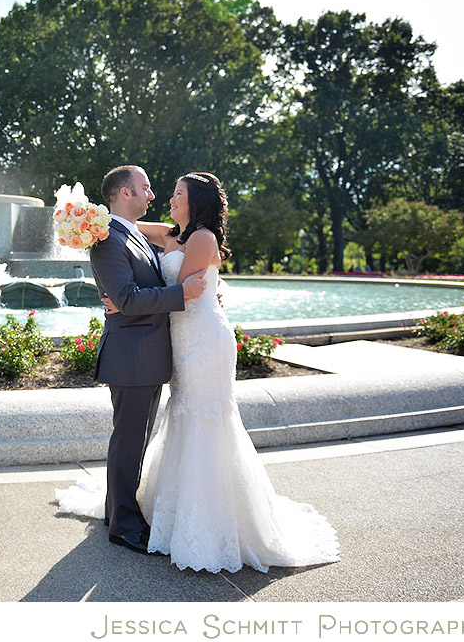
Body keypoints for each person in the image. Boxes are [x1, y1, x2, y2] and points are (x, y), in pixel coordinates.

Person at [58, 171, 340, 573]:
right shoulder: (158, 234)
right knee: (154, 429)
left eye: (176, 193)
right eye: (154, 189)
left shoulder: (200, 237)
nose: (163, 197)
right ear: (126, 193)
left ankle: (201, 514)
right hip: (165, 345)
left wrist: (144, 298)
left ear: (196, 201)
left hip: (202, 341)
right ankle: (127, 518)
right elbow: (148, 260)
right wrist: (92, 222)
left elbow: (189, 291)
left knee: (202, 422)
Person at [81, 165, 207, 555]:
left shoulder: (127, 232)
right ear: (124, 193)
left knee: (133, 440)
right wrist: (182, 293)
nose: (152, 195)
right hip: (132, 357)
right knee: (129, 441)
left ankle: (116, 512)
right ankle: (123, 525)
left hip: (144, 354)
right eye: (145, 188)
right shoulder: (106, 240)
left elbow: (133, 293)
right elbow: (129, 299)